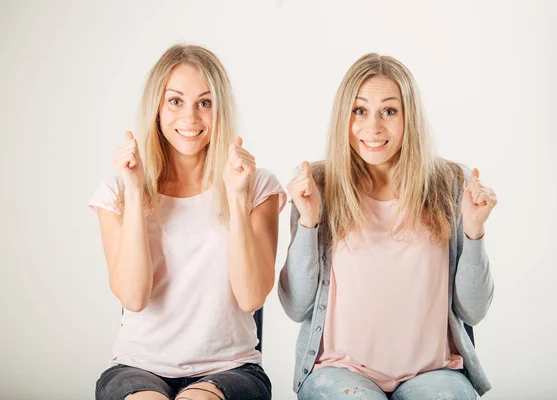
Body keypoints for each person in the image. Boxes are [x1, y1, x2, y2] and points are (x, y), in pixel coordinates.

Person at [279, 53, 497, 399]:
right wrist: (308, 221)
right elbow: (296, 307)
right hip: (339, 373)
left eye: (390, 111)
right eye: (360, 111)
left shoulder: (449, 184)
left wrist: (473, 231)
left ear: (409, 116)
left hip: (434, 373)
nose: (374, 127)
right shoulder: (320, 184)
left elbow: (474, 310)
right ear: (344, 117)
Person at [89, 44, 285, 400]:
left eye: (205, 103)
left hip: (232, 369)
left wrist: (237, 198)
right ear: (157, 109)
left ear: (219, 110)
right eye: (176, 101)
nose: (191, 118)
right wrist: (135, 195)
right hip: (136, 366)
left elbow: (251, 297)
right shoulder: (116, 192)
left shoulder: (257, 185)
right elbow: (133, 297)